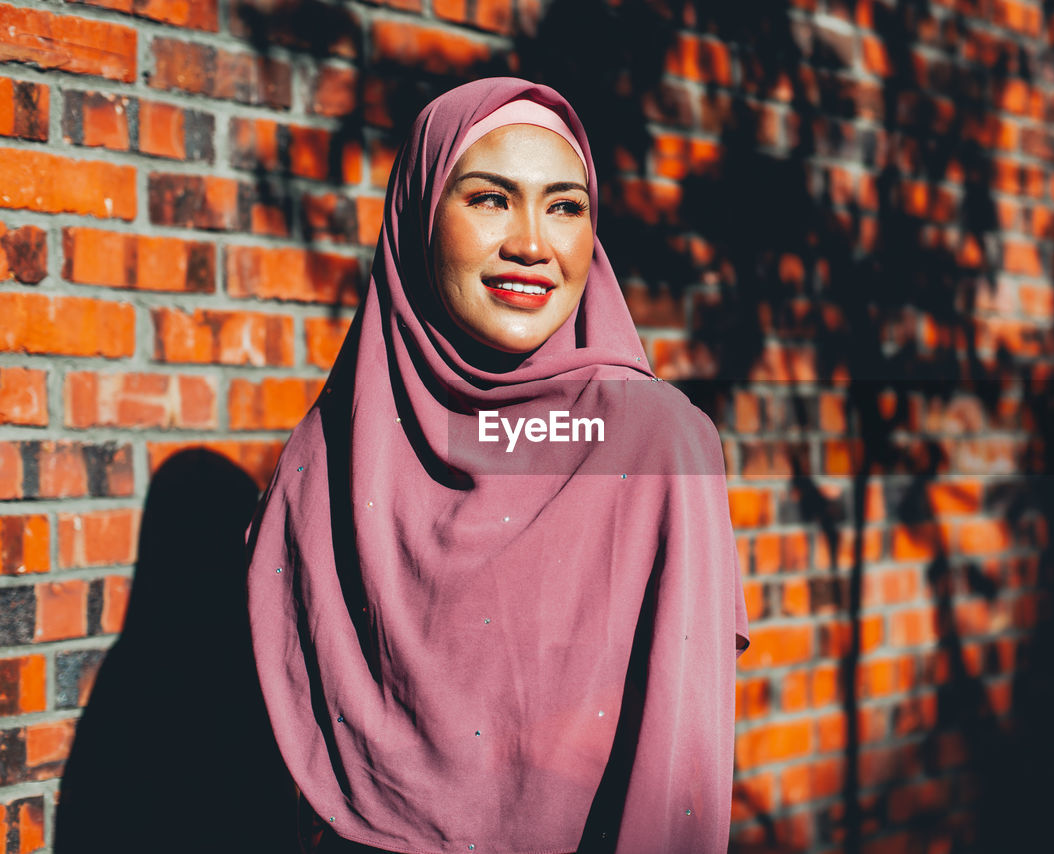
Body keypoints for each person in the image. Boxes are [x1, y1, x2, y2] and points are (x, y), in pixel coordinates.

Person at [244, 77, 749, 854]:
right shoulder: (326, 455)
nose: (533, 243)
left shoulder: (658, 448)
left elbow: (681, 772)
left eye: (566, 206)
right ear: (418, 217)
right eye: (489, 199)